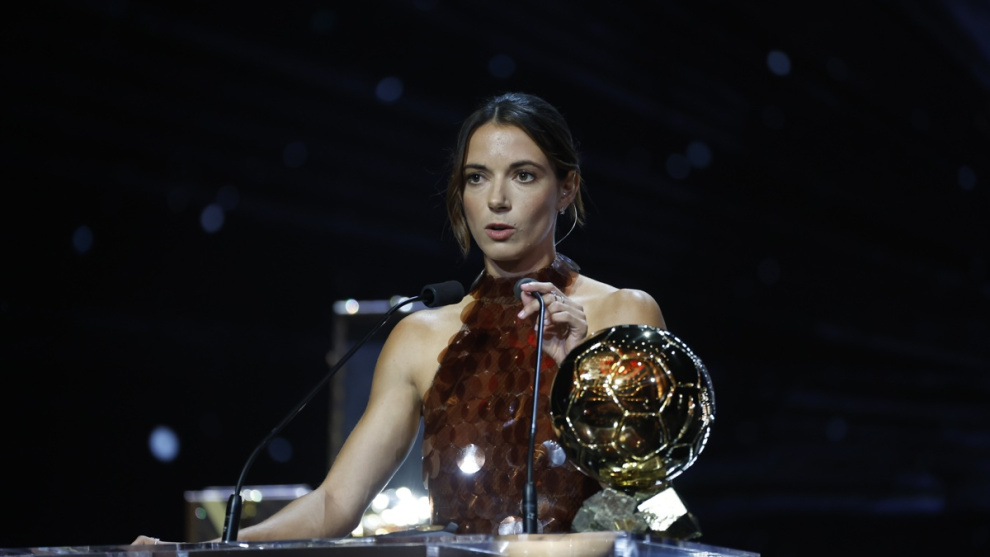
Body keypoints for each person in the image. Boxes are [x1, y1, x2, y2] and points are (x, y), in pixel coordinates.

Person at [134, 91, 665, 544]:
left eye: (523, 176)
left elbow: (661, 504)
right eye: (477, 178)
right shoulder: (419, 336)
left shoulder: (623, 313)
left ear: (567, 188)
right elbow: (335, 505)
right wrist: (201, 552)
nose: (497, 200)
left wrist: (581, 375)